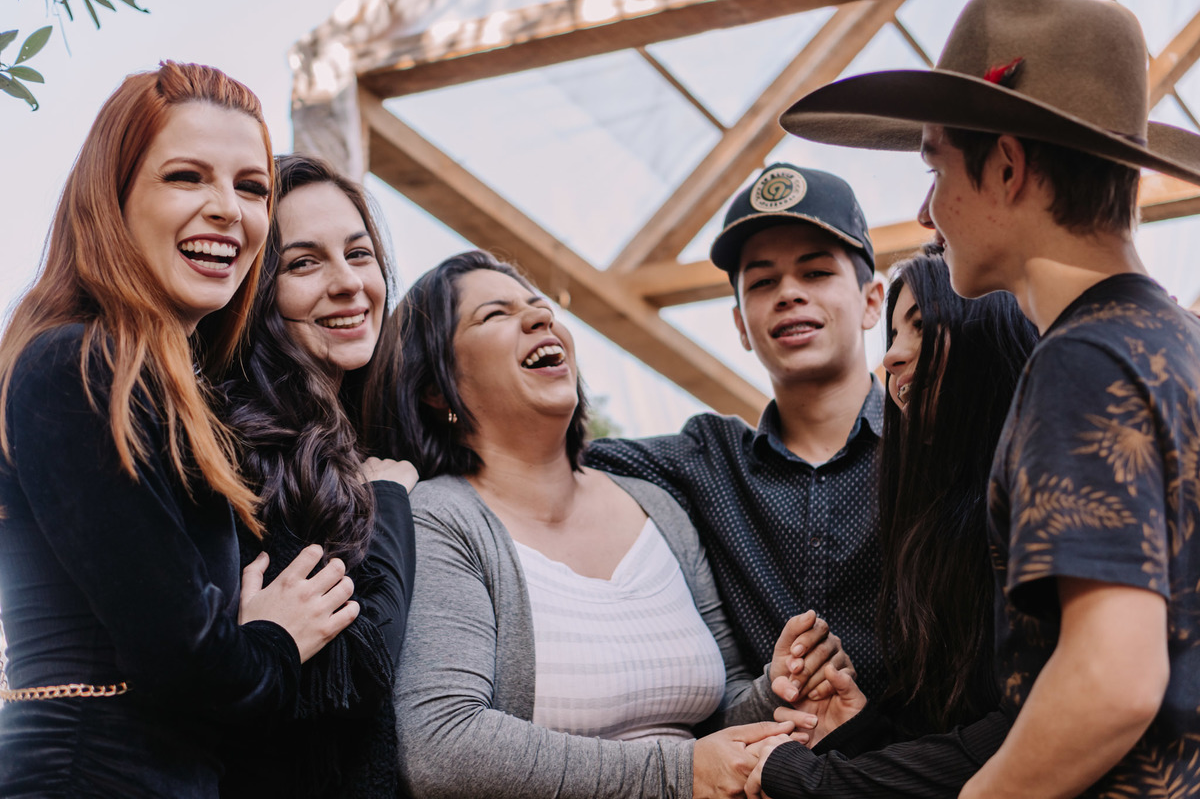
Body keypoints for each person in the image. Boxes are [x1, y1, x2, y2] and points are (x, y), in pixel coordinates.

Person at [760, 0, 1200, 795]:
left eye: (934, 169)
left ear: (1005, 166)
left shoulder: (1082, 361)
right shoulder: (1173, 346)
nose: (925, 212)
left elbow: (1113, 681)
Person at [365, 250, 851, 799]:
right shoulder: (442, 519)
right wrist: (678, 773)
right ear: (437, 387)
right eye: (495, 315)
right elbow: (442, 747)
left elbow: (719, 716)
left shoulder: (654, 505)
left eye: (539, 306)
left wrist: (779, 693)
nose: (540, 318)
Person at [0, 62, 359, 798]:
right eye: (187, 177)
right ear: (114, 197)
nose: (229, 209)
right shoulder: (77, 364)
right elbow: (191, 667)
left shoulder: (161, 385)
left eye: (251, 187)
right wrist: (275, 636)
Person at [737, 250, 1037, 798]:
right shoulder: (938, 522)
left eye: (921, 328)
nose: (894, 358)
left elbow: (1028, 729)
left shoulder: (1045, 493)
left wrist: (810, 779)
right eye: (894, 339)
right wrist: (860, 731)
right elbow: (957, 736)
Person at [587, 164, 889, 699]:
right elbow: (547, 459)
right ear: (740, 326)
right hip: (761, 772)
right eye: (763, 281)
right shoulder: (709, 460)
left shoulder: (935, 448)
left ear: (870, 302)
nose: (789, 293)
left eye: (816, 273)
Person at [218, 154, 418, 797]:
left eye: (359, 254)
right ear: (255, 291)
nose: (347, 284)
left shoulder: (353, 433)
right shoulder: (248, 444)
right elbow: (355, 663)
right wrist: (387, 503)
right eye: (303, 263)